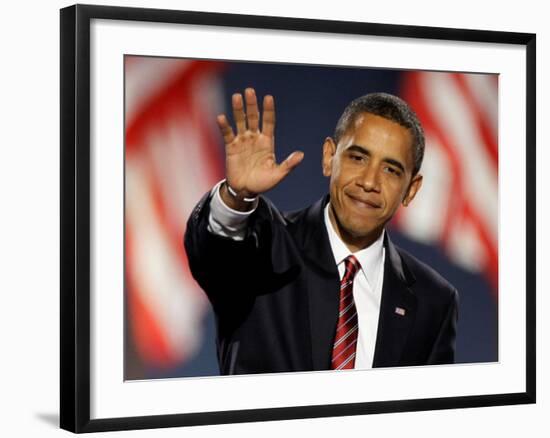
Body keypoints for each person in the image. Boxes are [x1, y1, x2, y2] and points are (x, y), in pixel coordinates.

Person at [184, 87, 458, 375]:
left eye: (390, 170)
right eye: (357, 158)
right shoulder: (263, 248)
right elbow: (214, 251)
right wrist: (236, 197)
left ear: (411, 190)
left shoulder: (434, 301)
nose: (369, 182)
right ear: (329, 157)